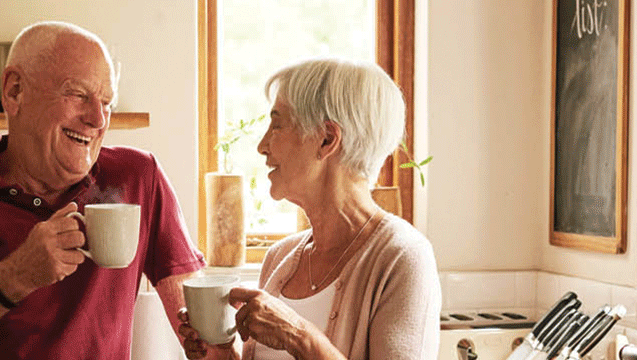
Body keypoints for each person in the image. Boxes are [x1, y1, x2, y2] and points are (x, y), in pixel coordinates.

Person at [0, 21, 206, 359]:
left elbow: (199, 322)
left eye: (107, 102)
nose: (98, 119)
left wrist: (224, 337)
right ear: (15, 91)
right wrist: (12, 278)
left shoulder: (138, 177)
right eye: (78, 94)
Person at [179, 58, 441, 360]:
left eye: (277, 125)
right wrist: (220, 354)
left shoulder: (402, 258)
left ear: (327, 139)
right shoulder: (279, 259)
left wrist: (298, 336)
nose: (262, 146)